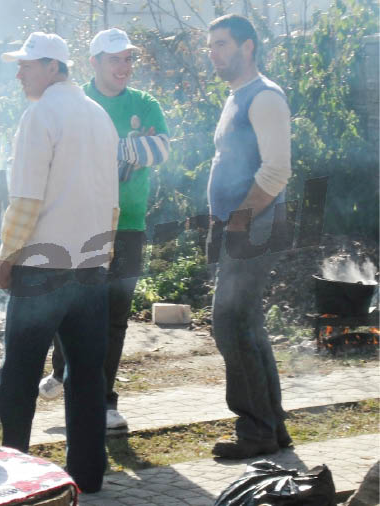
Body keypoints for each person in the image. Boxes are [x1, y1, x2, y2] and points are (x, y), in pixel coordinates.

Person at [0, 32, 119, 493]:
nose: (18, 73)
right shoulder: (99, 115)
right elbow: (112, 200)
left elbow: (26, 199)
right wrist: (105, 253)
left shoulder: (40, 114)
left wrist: (7, 255)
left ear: (53, 67)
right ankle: (88, 475)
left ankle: (9, 479)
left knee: (19, 376)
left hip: (43, 268)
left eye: (26, 65)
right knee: (87, 377)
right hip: (90, 267)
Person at [38, 28, 171, 432]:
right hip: (79, 224)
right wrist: (130, 147)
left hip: (128, 226)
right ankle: (62, 370)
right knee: (71, 310)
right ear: (93, 62)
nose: (124, 67)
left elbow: (160, 150)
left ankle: (104, 402)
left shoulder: (145, 104)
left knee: (114, 318)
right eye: (115, 59)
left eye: (128, 59)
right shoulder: (76, 102)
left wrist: (108, 149)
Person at [205, 14, 293, 459]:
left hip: (255, 226)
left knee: (230, 323)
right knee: (246, 325)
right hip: (240, 225)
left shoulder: (265, 97)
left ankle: (256, 430)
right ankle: (271, 427)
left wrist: (237, 221)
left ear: (248, 46)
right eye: (211, 46)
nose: (214, 54)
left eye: (222, 44)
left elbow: (277, 170)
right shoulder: (237, 96)